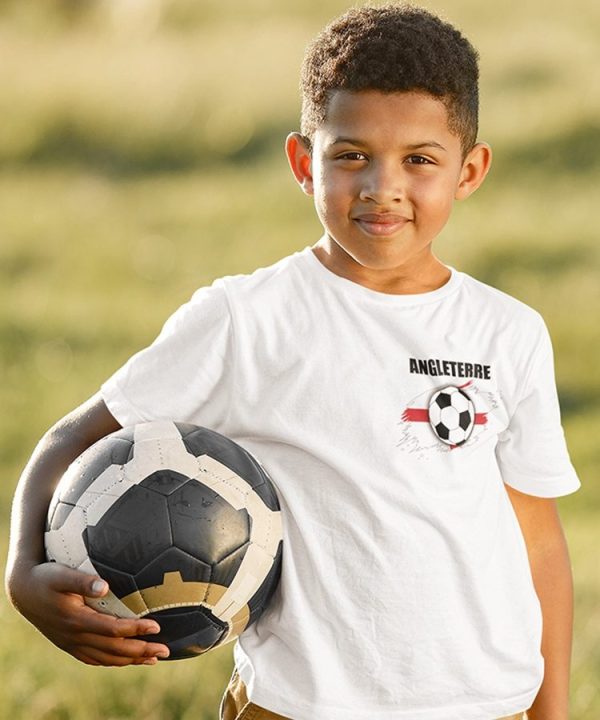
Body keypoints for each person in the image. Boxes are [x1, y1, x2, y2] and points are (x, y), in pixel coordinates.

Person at [5, 4, 580, 720]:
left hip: (487, 703)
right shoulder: (246, 320)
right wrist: (22, 572)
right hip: (301, 706)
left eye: (420, 160)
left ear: (470, 170)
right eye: (350, 155)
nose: (382, 187)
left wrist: (551, 709)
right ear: (304, 163)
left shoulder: (507, 332)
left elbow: (539, 543)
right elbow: (72, 438)